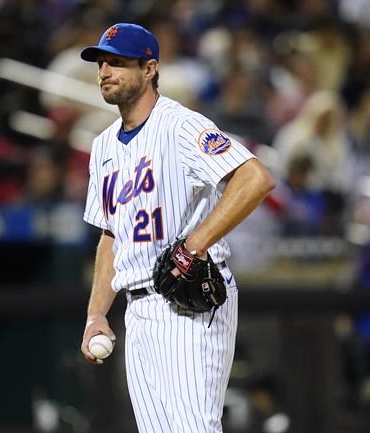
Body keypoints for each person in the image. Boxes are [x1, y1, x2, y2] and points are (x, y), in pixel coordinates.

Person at [79, 23, 276, 433]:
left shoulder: (181, 125)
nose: (105, 71)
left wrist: (194, 245)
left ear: (149, 68)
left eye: (118, 62)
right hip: (138, 309)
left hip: (187, 302)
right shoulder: (102, 147)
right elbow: (110, 235)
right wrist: (97, 313)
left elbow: (255, 179)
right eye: (101, 63)